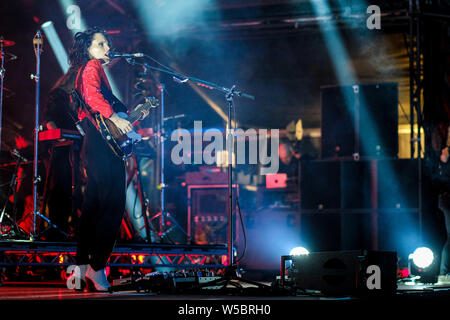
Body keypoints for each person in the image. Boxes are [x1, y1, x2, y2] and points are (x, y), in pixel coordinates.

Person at [67, 27, 146, 291]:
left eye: (107, 44)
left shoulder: (84, 69)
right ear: (88, 48)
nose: (107, 48)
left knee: (93, 206)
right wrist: (113, 116)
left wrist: (124, 118)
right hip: (101, 145)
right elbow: (92, 97)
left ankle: (80, 268)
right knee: (113, 205)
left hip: (94, 144)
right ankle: (97, 267)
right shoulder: (91, 66)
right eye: (101, 44)